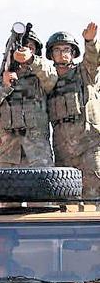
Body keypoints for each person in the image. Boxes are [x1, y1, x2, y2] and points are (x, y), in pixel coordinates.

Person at [19, 23, 100, 197]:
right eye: (57, 49)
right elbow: (22, 102)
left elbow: (93, 59)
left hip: (90, 146)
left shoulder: (84, 73)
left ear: (73, 53)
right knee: (66, 199)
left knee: (94, 198)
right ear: (51, 54)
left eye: (66, 49)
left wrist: (90, 41)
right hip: (62, 150)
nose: (62, 53)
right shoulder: (47, 80)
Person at [0, 29, 53, 168]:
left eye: (30, 48)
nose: (24, 51)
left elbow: (51, 77)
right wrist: (5, 87)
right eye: (21, 47)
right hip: (7, 157)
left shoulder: (41, 80)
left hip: (38, 157)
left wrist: (31, 60)